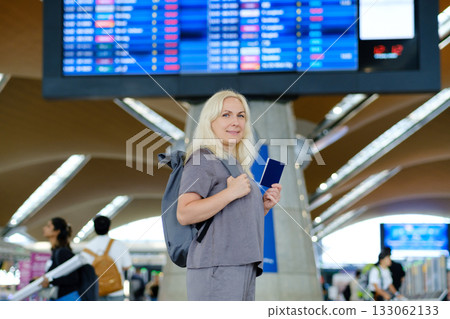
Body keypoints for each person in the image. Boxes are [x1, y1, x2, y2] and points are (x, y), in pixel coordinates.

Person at [177, 90, 282, 301]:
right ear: (210, 122)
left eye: (240, 115)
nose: (235, 122)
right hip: (217, 268)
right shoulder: (202, 158)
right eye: (226, 115)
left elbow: (230, 220)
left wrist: (263, 207)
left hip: (241, 264)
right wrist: (230, 193)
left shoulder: (236, 164)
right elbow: (185, 213)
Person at [81, 215, 132, 301]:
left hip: (97, 290)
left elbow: (85, 270)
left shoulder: (87, 248)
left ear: (94, 229)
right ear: (109, 227)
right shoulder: (119, 245)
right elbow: (127, 265)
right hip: (116, 290)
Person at [41, 217, 80, 299]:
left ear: (57, 231)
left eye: (48, 226)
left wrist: (51, 281)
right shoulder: (56, 252)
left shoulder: (62, 252)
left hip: (67, 297)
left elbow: (73, 278)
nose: (44, 228)